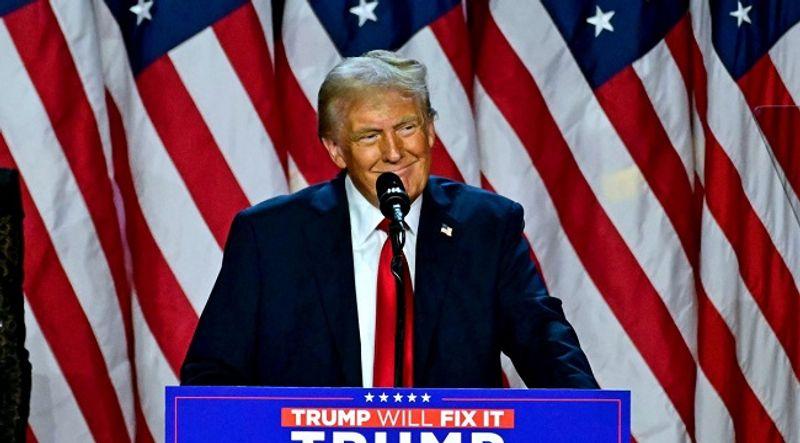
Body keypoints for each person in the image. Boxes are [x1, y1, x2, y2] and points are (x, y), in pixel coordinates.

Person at [181, 50, 598, 389]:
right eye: (369, 136)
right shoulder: (271, 238)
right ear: (336, 150)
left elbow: (544, 345)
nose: (394, 151)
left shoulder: (486, 227)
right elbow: (212, 377)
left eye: (407, 127)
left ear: (431, 130)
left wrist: (590, 421)